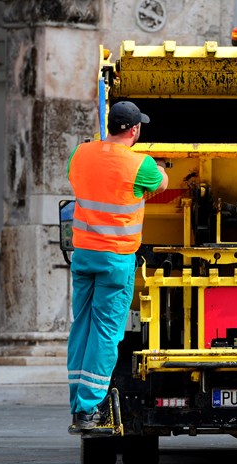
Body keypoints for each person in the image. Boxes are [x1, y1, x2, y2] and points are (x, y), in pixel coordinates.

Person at [66, 101, 168, 433]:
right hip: (115, 260)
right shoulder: (141, 164)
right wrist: (162, 168)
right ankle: (89, 408)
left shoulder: (80, 154)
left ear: (109, 125)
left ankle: (77, 406)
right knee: (106, 333)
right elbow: (161, 185)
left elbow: (84, 183)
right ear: (135, 130)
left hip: (84, 256)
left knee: (81, 327)